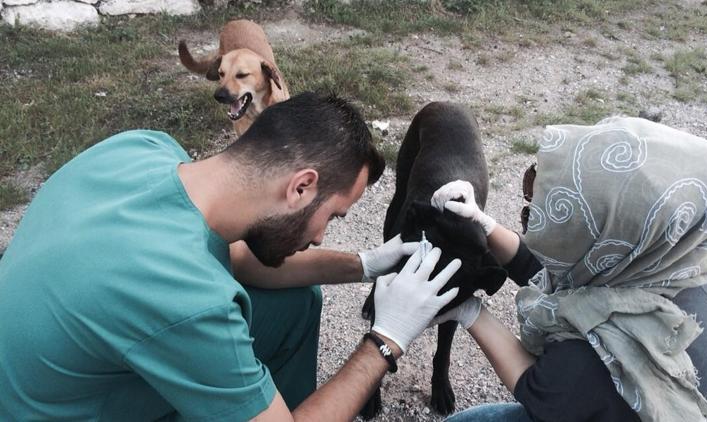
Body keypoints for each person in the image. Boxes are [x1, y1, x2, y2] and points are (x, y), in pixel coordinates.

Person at [0, 92, 463, 421]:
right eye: (334, 216)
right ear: (301, 187)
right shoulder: (190, 300)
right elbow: (191, 295)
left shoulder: (143, 147)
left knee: (297, 302)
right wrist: (386, 338)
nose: (322, 237)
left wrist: (366, 264)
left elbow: (238, 259)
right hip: (55, 411)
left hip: (52, 372)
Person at [431, 116, 707, 422]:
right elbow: (556, 274)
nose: (534, 212)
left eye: (561, 215)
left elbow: (537, 388)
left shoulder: (612, 353)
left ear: (612, 240)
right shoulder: (669, 265)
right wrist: (483, 224)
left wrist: (471, 312)